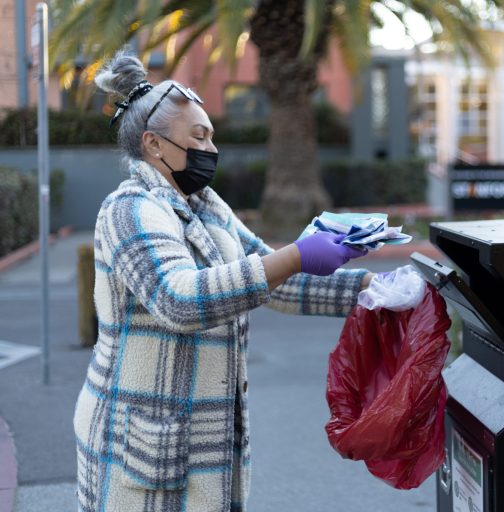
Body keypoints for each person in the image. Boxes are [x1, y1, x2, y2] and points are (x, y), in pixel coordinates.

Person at [73, 51, 373, 512]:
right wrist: (296, 255)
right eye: (199, 136)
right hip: (142, 453)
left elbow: (275, 278)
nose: (211, 149)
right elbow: (180, 300)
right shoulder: (129, 211)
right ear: (154, 144)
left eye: (211, 136)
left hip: (206, 441)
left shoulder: (207, 206)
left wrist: (375, 289)